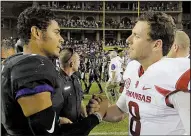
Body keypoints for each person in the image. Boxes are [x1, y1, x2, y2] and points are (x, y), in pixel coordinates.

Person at [1, 6, 108, 136]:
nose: (61, 39)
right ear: (37, 32)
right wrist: (97, 116)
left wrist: (55, 120)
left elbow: (23, 121)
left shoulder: (13, 61)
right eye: (56, 32)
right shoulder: (34, 66)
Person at [87, 11, 190, 135]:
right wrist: (101, 111)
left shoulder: (176, 77)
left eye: (136, 36)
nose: (128, 40)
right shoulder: (133, 69)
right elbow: (120, 111)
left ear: (156, 45)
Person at [58, 48, 87, 123]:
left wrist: (85, 115)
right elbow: (47, 110)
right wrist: (60, 120)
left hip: (77, 126)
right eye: (78, 60)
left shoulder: (75, 79)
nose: (80, 62)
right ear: (72, 63)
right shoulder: (56, 81)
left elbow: (80, 100)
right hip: (62, 130)